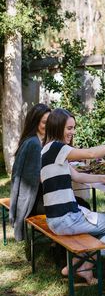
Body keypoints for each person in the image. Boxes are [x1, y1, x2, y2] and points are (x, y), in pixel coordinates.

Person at [41, 108, 105, 285]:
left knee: (97, 217)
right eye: (69, 128)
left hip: (56, 219)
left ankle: (77, 264)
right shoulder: (58, 148)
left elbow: (78, 176)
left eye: (73, 128)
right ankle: (84, 266)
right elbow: (90, 154)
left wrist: (104, 177)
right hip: (65, 219)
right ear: (57, 127)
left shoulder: (47, 150)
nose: (72, 132)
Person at [9, 103, 51, 241]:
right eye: (44, 122)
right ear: (35, 122)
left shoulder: (35, 140)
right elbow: (37, 178)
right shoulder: (34, 144)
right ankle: (58, 249)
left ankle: (57, 247)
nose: (48, 125)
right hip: (33, 203)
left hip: (33, 198)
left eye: (49, 122)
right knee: (78, 206)